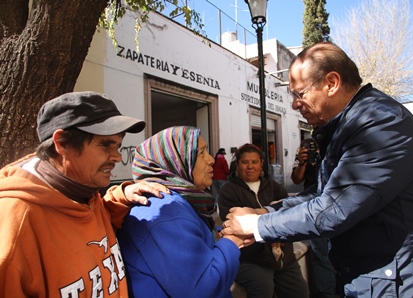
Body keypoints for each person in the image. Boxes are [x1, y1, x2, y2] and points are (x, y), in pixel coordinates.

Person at [222, 42, 413, 297]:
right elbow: (323, 194)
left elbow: (334, 209)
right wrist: (268, 211)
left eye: (300, 94)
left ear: (331, 83)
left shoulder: (381, 124)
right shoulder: (351, 125)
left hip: (400, 284)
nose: (295, 105)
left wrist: (257, 225)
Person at [0, 91, 169, 297]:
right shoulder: (15, 227)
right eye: (105, 145)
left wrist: (121, 195)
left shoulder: (85, 191)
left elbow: (84, 219)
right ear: (62, 143)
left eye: (118, 146)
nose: (117, 157)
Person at [117, 126, 244, 298]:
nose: (211, 160)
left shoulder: (180, 200)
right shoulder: (164, 211)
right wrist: (232, 240)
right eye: (201, 153)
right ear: (176, 160)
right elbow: (204, 290)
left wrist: (218, 236)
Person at [219, 143, 309, 298]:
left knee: (300, 292)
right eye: (245, 162)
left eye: (254, 162)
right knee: (263, 288)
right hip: (252, 258)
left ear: (261, 164)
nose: (250, 167)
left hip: (283, 257)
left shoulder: (274, 186)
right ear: (237, 165)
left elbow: (288, 213)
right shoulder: (229, 190)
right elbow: (236, 224)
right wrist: (274, 226)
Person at [291, 140, 336, 298]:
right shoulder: (308, 154)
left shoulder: (336, 150)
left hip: (337, 206)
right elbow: (297, 179)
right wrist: (302, 162)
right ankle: (326, 292)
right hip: (315, 210)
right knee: (320, 253)